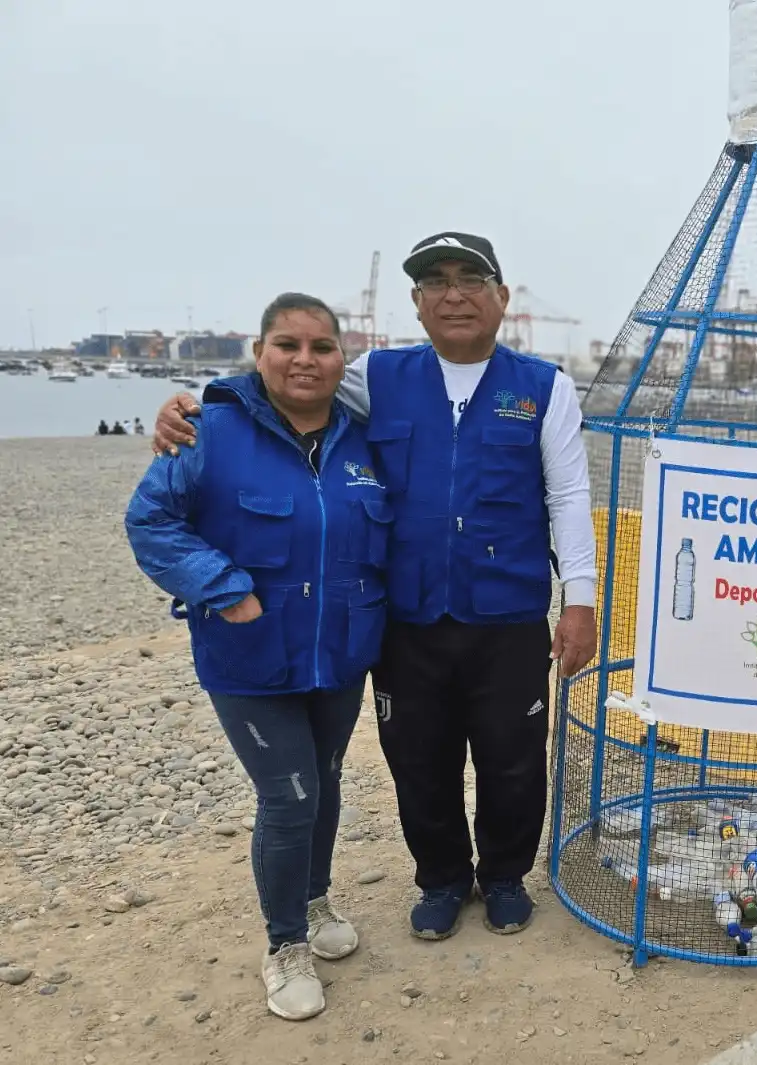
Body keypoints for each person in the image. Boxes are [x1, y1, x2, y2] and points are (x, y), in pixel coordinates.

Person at [151, 232, 599, 941]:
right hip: (407, 616)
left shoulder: (546, 388)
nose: (454, 293)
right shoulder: (376, 376)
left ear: (501, 298)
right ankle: (444, 878)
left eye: (470, 278)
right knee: (419, 759)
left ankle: (506, 874)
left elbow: (570, 495)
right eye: (435, 282)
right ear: (417, 304)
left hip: (507, 612)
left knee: (512, 759)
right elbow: (289, 389)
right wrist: (197, 405)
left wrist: (580, 599)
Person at [126, 293, 390, 1021]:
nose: (304, 360)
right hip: (249, 655)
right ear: (259, 353)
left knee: (327, 780)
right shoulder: (208, 428)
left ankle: (312, 895)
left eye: (321, 347)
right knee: (289, 795)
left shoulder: (367, 436)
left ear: (344, 358)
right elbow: (150, 520)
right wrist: (223, 586)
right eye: (287, 344)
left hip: (340, 651)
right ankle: (285, 944)